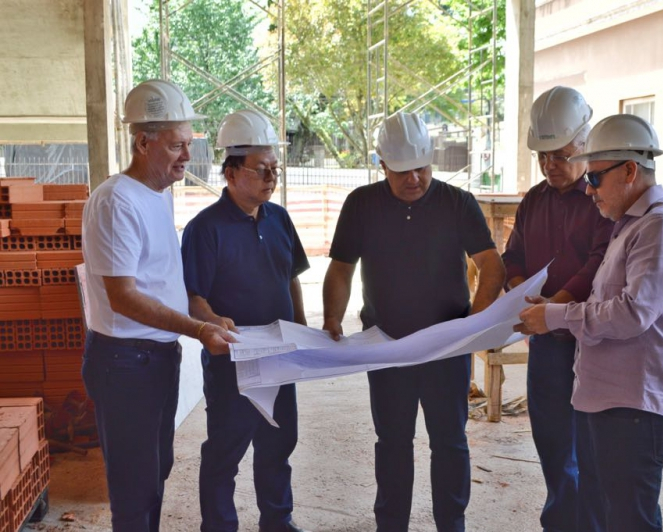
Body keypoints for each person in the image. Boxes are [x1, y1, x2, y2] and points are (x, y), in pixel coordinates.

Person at [322, 112, 505, 532]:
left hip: (446, 348)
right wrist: (332, 317)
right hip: (387, 346)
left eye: (422, 168)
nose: (414, 179)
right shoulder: (362, 204)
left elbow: (491, 266)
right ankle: (391, 524)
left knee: (450, 442)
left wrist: (471, 326)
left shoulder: (457, 203)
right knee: (392, 443)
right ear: (382, 164)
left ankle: (451, 524)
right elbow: (341, 269)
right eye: (403, 171)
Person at [517, 114, 663, 532]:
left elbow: (632, 313)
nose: (589, 189)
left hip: (634, 409)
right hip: (608, 404)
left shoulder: (660, 226)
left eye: (595, 178)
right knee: (601, 514)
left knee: (629, 520)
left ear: (630, 170)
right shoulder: (629, 226)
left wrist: (554, 315)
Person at [81, 79, 235, 532]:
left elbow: (162, 280)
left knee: (153, 475)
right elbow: (123, 297)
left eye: (189, 143)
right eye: (175, 145)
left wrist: (205, 316)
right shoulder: (117, 201)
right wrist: (198, 330)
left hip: (154, 359)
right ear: (142, 143)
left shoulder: (158, 195)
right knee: (134, 491)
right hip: (125, 363)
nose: (187, 155)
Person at [181, 110, 311, 532]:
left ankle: (277, 520)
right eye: (261, 169)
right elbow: (193, 298)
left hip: (280, 356)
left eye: (275, 168)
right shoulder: (205, 229)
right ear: (232, 172)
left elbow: (291, 277)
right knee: (226, 450)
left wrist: (302, 330)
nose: (271, 177)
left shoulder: (279, 219)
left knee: (278, 443)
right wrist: (214, 322)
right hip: (233, 361)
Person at [502, 86, 613, 532]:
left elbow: (597, 264)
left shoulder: (602, 198)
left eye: (561, 155)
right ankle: (561, 522)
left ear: (585, 145)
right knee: (550, 439)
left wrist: (553, 308)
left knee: (592, 446)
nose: (551, 165)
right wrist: (520, 292)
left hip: (592, 341)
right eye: (543, 156)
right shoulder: (534, 199)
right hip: (547, 344)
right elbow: (513, 255)